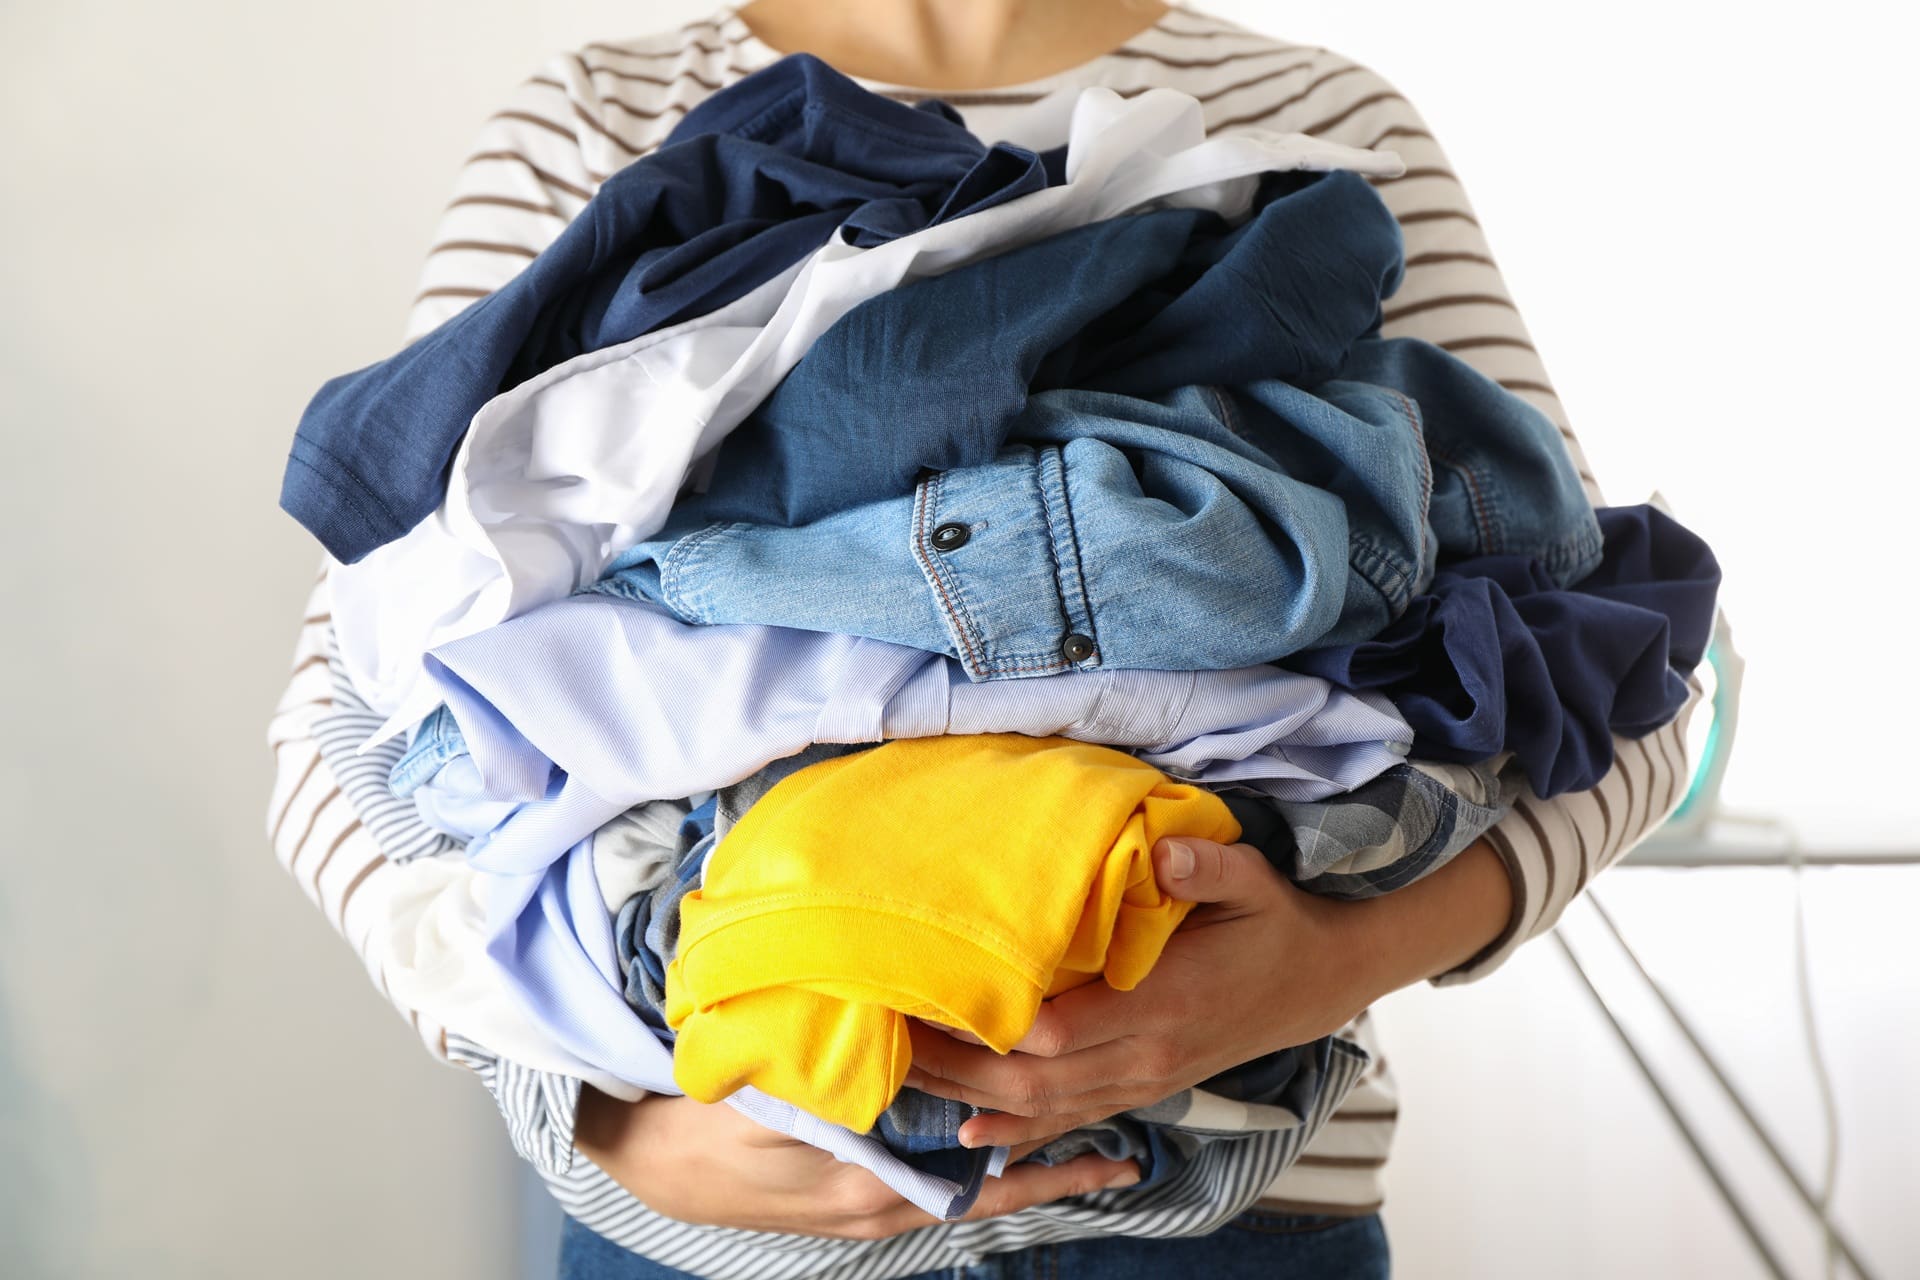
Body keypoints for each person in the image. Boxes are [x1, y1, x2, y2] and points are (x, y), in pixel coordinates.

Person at [263, 2, 1699, 1276]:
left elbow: (1623, 682)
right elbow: (353, 710)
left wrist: (1332, 961)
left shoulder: (1320, 120)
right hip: (713, 1231)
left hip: (1223, 1238)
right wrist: (602, 1110)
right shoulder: (595, 118)